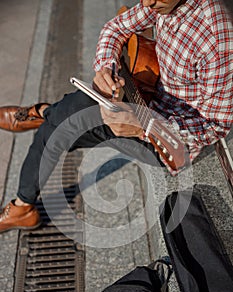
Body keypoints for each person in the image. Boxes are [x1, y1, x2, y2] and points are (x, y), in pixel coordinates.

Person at [0, 0, 232, 233]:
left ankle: (40, 123)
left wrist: (145, 126)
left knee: (58, 126)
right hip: (145, 98)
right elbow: (115, 28)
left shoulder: (218, 39)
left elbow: (216, 126)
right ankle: (43, 120)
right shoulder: (160, 3)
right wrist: (106, 68)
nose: (149, 2)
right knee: (71, 113)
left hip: (166, 144)